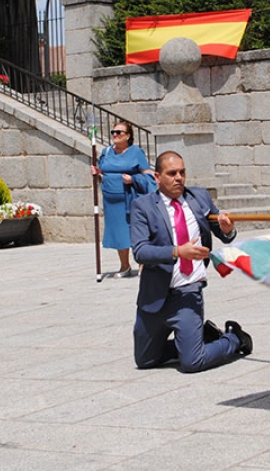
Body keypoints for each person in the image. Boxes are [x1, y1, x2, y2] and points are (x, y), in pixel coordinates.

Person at [129, 150, 252, 373]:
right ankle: (201, 338)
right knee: (144, 360)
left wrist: (228, 230)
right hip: (154, 296)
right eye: (172, 173)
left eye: (182, 173)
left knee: (192, 362)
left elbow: (222, 232)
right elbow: (140, 251)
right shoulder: (143, 206)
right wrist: (177, 251)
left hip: (187, 294)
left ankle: (234, 338)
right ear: (157, 177)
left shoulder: (199, 198)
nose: (179, 178)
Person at [91, 121, 154, 278]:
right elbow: (102, 175)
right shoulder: (106, 152)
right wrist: (97, 174)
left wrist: (133, 180)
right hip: (111, 200)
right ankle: (124, 266)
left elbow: (149, 177)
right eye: (113, 132)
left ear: (128, 135)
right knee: (119, 233)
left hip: (131, 198)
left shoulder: (136, 152)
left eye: (119, 132)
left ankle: (142, 264)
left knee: (135, 231)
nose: (115, 135)